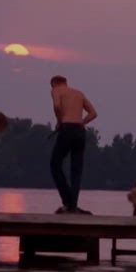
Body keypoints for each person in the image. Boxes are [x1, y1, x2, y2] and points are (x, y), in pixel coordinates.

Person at [49, 75, 98, 214]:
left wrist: (59, 121)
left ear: (54, 83)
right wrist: (82, 122)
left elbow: (57, 106)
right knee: (76, 170)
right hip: (80, 132)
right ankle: (73, 205)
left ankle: (67, 201)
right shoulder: (78, 93)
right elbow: (93, 113)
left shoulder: (56, 90)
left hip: (67, 129)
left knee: (55, 164)